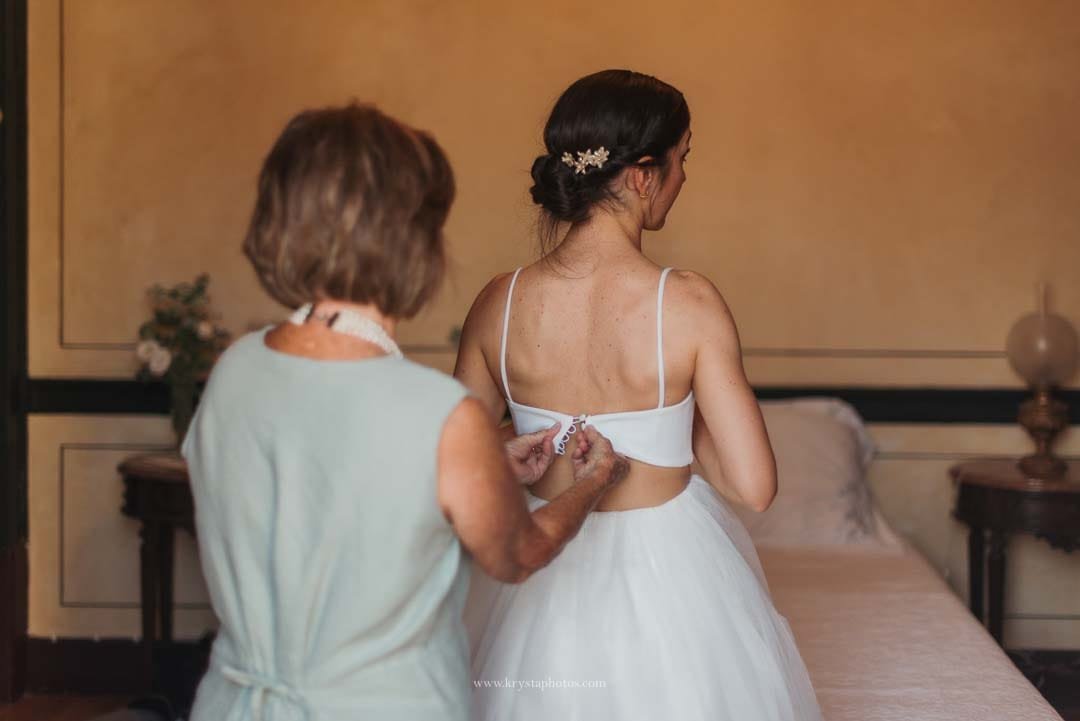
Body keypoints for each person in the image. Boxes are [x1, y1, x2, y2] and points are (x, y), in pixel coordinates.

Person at [181, 103, 627, 721]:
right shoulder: (437, 415)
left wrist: (477, 466)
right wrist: (592, 483)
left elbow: (321, 491)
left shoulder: (234, 369)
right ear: (412, 244)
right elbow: (519, 552)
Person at [455, 70, 823, 720]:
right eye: (682, 159)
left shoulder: (498, 303)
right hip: (670, 576)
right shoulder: (688, 303)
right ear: (644, 175)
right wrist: (674, 413)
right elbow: (754, 485)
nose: (684, 177)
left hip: (535, 578)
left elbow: (456, 474)